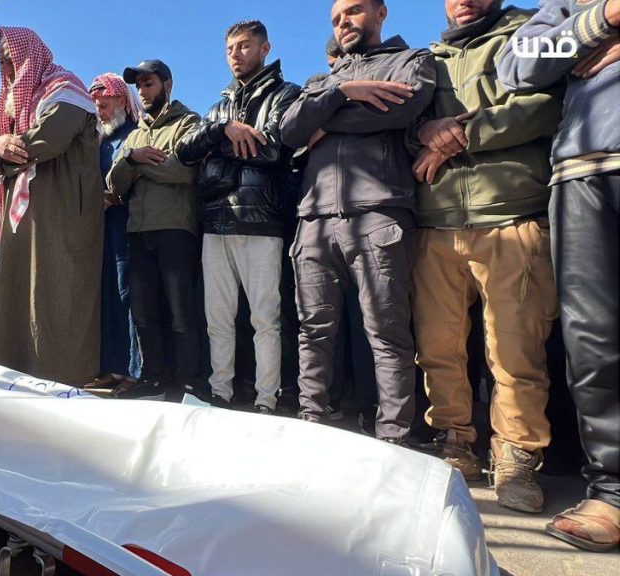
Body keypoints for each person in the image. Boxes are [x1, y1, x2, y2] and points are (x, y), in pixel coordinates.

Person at [409, 0, 563, 513]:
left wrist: (459, 136)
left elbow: (544, 104)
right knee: (438, 347)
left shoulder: (531, 32)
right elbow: (404, 122)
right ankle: (455, 441)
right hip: (436, 221)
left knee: (516, 350)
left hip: (513, 214)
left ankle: (517, 454)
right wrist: (422, 132)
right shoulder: (426, 59)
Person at [279, 0, 436, 444]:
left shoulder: (411, 61)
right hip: (313, 218)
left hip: (379, 211)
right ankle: (313, 424)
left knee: (386, 332)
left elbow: (398, 109)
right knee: (313, 331)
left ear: (381, 12)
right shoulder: (321, 80)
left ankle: (394, 439)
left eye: (352, 11)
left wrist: (324, 124)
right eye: (335, 19)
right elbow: (289, 130)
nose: (343, 22)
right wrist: (342, 92)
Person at [498, 0, 620, 552]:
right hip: (581, 171)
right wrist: (603, 21)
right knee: (592, 338)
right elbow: (518, 63)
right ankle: (612, 492)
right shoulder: (568, 7)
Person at [176, 20, 302, 414]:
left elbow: (271, 149)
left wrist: (215, 149)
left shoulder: (285, 93)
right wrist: (222, 130)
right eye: (230, 48)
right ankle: (220, 392)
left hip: (261, 221)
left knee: (265, 318)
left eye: (245, 46)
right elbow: (184, 151)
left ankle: (268, 399)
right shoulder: (218, 108)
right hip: (216, 221)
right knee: (217, 318)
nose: (236, 54)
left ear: (265, 48)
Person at [0, 26, 102, 385]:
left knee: (56, 294)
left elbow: (43, 142)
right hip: (28, 214)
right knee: (18, 291)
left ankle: (59, 378)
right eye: (3, 61)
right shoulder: (22, 103)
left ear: (30, 56)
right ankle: (14, 368)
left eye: (13, 59)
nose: (8, 68)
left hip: (62, 213)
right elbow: (6, 147)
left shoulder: (66, 90)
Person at [107, 59, 200, 400]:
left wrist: (137, 166)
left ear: (167, 84)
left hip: (175, 228)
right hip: (138, 231)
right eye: (139, 86)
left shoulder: (188, 123)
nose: (143, 92)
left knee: (180, 311)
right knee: (144, 311)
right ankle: (153, 377)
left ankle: (188, 382)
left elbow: (184, 171)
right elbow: (114, 183)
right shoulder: (134, 136)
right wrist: (133, 159)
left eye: (149, 84)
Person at [87, 72, 141, 390]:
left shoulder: (136, 134)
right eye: (97, 107)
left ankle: (134, 372)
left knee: (128, 295)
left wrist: (115, 198)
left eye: (105, 105)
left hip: (128, 227)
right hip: (103, 229)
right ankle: (111, 367)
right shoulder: (102, 141)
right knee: (107, 295)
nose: (101, 112)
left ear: (121, 100)